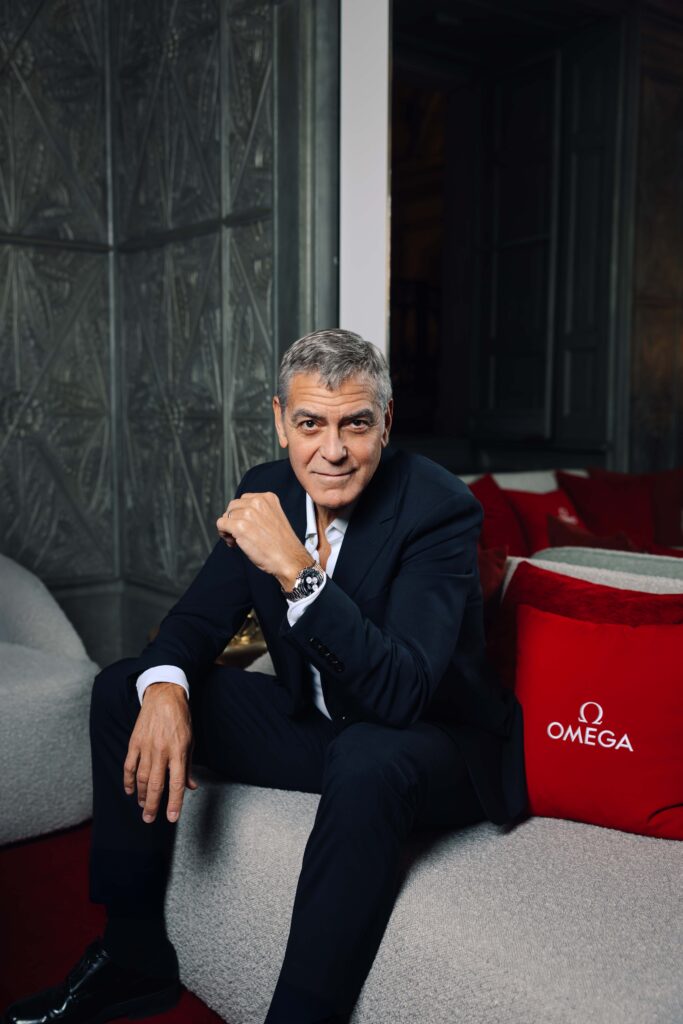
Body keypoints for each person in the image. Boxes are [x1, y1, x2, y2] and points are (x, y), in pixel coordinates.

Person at [4, 329, 527, 1024]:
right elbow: (197, 620)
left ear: (385, 422)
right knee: (125, 687)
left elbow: (401, 693)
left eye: (355, 425)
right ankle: (132, 958)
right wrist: (167, 688)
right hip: (320, 724)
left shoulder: (437, 509)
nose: (332, 451)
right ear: (281, 421)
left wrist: (295, 569)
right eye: (310, 424)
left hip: (436, 743)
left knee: (367, 754)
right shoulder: (265, 489)